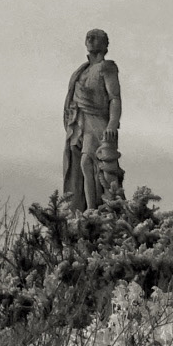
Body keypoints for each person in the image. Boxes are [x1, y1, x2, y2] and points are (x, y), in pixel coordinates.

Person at [63, 28, 124, 210]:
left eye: (95, 37)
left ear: (105, 44)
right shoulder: (81, 72)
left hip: (99, 122)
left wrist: (113, 122)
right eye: (88, 37)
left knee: (98, 164)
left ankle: (96, 207)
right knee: (85, 163)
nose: (89, 39)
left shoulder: (107, 67)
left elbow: (114, 97)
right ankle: (88, 208)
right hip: (82, 123)